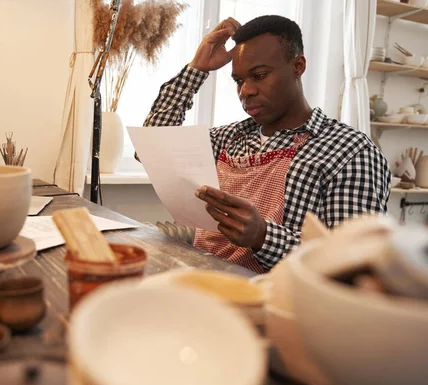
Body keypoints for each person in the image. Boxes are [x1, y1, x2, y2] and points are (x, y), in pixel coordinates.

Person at [142, 15, 390, 273]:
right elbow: (151, 148)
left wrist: (263, 236)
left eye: (259, 75)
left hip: (281, 304)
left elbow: (352, 264)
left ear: (298, 66)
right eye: (238, 80)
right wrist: (197, 69)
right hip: (206, 286)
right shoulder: (229, 139)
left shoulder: (350, 153)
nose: (245, 91)